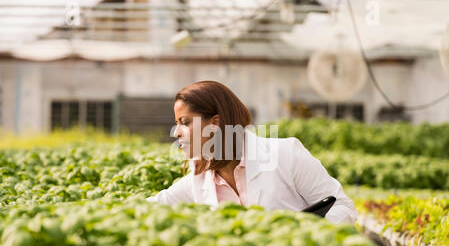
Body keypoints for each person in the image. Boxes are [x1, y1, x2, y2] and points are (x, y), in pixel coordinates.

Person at [147, 80, 357, 224]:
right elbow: (148, 207)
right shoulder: (199, 178)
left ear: (215, 123)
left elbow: (343, 208)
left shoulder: (286, 154)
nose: (176, 133)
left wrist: (304, 236)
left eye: (184, 122)